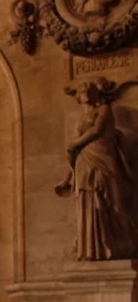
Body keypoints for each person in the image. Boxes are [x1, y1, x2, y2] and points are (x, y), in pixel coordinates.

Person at [55, 79, 138, 261]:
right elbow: (73, 155)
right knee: (88, 202)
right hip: (84, 162)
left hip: (105, 158)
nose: (85, 91)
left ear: (95, 93)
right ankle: (91, 248)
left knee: (115, 202)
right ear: (78, 97)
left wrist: (74, 144)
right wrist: (68, 178)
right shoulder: (78, 120)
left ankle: (121, 244)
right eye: (82, 89)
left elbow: (96, 131)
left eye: (89, 88)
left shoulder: (104, 110)